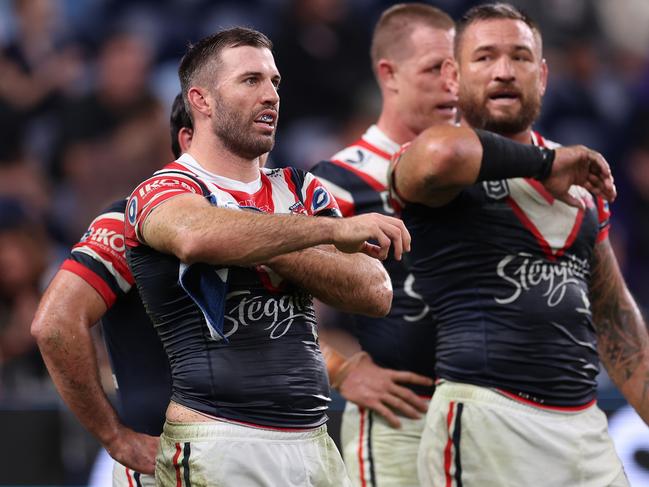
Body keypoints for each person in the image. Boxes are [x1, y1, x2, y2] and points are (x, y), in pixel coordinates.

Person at [124, 27, 410, 486]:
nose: (271, 95)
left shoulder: (300, 188)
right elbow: (196, 236)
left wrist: (260, 239)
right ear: (202, 100)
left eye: (275, 82)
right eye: (250, 80)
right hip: (218, 441)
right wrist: (324, 234)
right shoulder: (164, 188)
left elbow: (375, 291)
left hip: (314, 443)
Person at [389, 3, 648, 486]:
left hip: (585, 429)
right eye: (485, 57)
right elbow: (445, 154)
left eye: (521, 57)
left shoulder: (581, 188)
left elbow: (614, 319)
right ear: (453, 76)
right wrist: (546, 163)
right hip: (487, 423)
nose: (504, 71)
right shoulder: (435, 158)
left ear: (544, 74)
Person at [309, 4, 456, 486]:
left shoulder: (481, 170)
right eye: (434, 68)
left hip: (490, 416)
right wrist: (341, 369)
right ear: (388, 74)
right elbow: (262, 298)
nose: (451, 83)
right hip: (401, 423)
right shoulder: (339, 182)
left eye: (457, 68)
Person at [31, 93, 194, 485]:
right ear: (187, 140)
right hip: (159, 455)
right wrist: (113, 435)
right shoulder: (126, 218)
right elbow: (55, 324)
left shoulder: (268, 219)